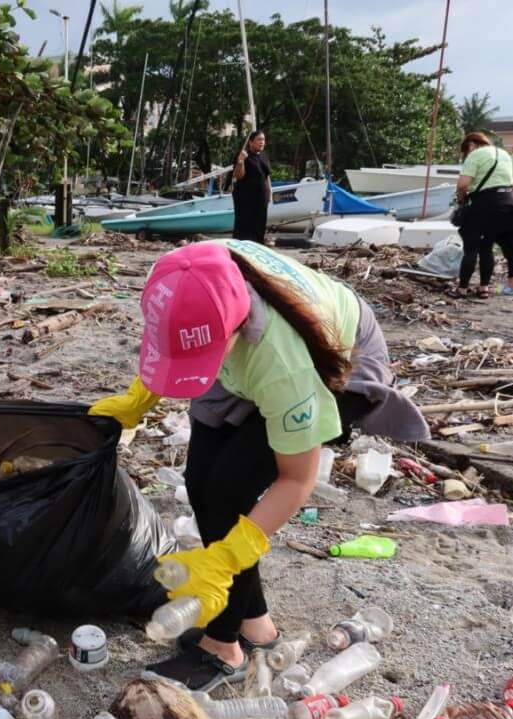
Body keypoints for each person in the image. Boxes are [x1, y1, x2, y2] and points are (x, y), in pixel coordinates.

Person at [89, 239, 429, 690]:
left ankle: (223, 645)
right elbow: (171, 339)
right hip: (234, 352)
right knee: (201, 482)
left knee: (230, 489)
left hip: (337, 357)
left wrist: (227, 559)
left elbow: (297, 479)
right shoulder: (177, 281)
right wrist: (139, 398)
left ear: (233, 331)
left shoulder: (281, 362)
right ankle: (257, 626)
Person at [451, 131, 513, 299]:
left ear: (471, 145)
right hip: (507, 202)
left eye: (466, 151)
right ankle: (483, 288)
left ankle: (462, 289)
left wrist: (462, 200)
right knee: (487, 246)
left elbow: (463, 185)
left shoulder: (476, 154)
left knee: (471, 247)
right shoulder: (504, 154)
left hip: (485, 202)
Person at [231, 131, 271, 244]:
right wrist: (241, 161)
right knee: (244, 226)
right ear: (251, 142)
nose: (262, 142)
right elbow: (238, 176)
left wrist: (269, 194)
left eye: (263, 140)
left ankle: (258, 245)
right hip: (246, 198)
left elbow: (267, 176)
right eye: (259, 139)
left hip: (261, 198)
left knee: (260, 226)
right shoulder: (244, 155)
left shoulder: (264, 156)